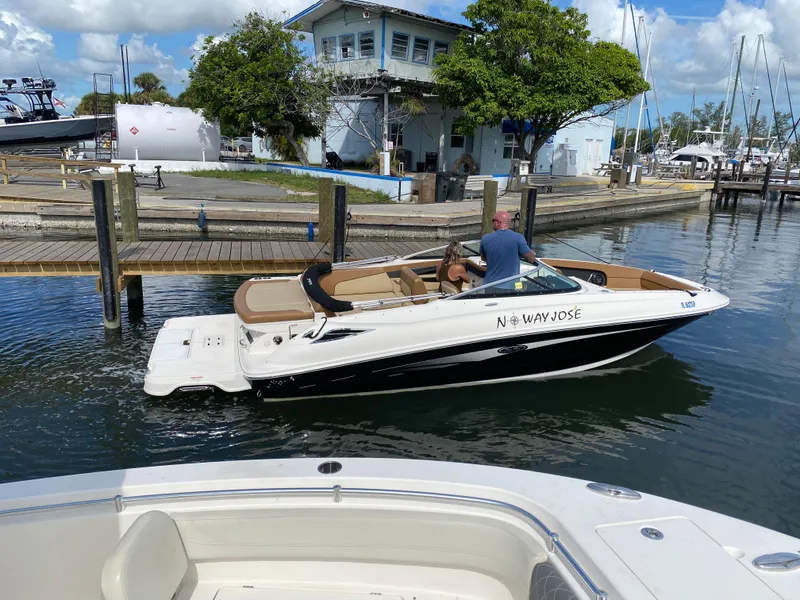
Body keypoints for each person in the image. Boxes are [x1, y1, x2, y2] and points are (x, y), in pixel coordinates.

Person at [479, 211, 537, 285]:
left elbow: (483, 258)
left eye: (493, 221)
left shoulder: (485, 239)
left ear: (498, 223)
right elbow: (531, 259)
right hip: (511, 286)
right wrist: (532, 253)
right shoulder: (518, 238)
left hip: (489, 285)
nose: (492, 223)